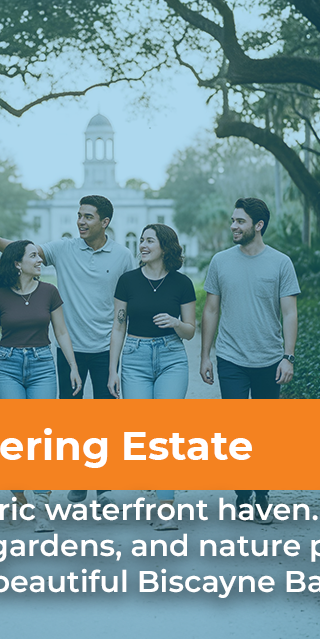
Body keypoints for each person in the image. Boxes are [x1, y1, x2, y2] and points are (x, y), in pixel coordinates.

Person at [0, 194, 135, 508]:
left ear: (104, 222)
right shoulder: (65, 248)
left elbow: (127, 300)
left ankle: (104, 486)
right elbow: (22, 252)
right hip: (69, 349)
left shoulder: (123, 255)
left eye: (88, 217)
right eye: (79, 215)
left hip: (106, 348)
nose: (81, 222)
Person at [200, 197, 300, 525]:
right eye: (232, 220)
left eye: (240, 222)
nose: (233, 226)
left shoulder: (281, 263)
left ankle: (261, 495)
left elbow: (289, 312)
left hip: (270, 360)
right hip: (231, 357)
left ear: (258, 225)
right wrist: (205, 355)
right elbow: (211, 309)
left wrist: (288, 357)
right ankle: (243, 494)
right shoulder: (220, 261)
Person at [0, 240, 82, 532]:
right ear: (17, 263)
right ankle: (19, 496)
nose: (40, 260)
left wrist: (73, 366)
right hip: (7, 367)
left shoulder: (49, 292)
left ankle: (42, 501)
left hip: (41, 366)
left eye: (39, 255)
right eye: (33, 256)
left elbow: (61, 332)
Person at [108, 223, 196, 531]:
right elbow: (118, 326)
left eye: (149, 240)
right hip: (134, 359)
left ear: (165, 246)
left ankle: (166, 505)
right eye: (141, 240)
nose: (142, 245)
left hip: (172, 357)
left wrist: (174, 322)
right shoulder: (127, 281)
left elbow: (190, 331)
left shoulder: (182, 283)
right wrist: (113, 370)